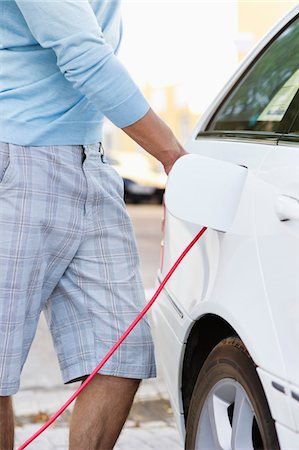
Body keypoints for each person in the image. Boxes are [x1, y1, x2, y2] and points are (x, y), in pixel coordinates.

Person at [0, 1, 187, 448]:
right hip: (17, 157)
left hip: (92, 161)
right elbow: (84, 55)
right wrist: (171, 156)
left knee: (121, 353)